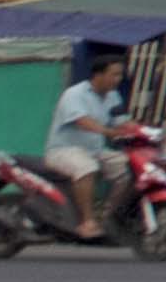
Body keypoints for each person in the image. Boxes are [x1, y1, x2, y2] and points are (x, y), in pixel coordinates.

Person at [44, 48, 129, 234]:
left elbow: (124, 122)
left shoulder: (113, 96)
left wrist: (146, 132)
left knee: (126, 167)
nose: (118, 79)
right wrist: (107, 131)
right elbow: (81, 121)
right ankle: (87, 221)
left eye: (120, 75)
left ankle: (106, 216)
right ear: (98, 74)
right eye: (114, 74)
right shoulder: (74, 94)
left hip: (95, 151)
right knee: (87, 167)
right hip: (63, 151)